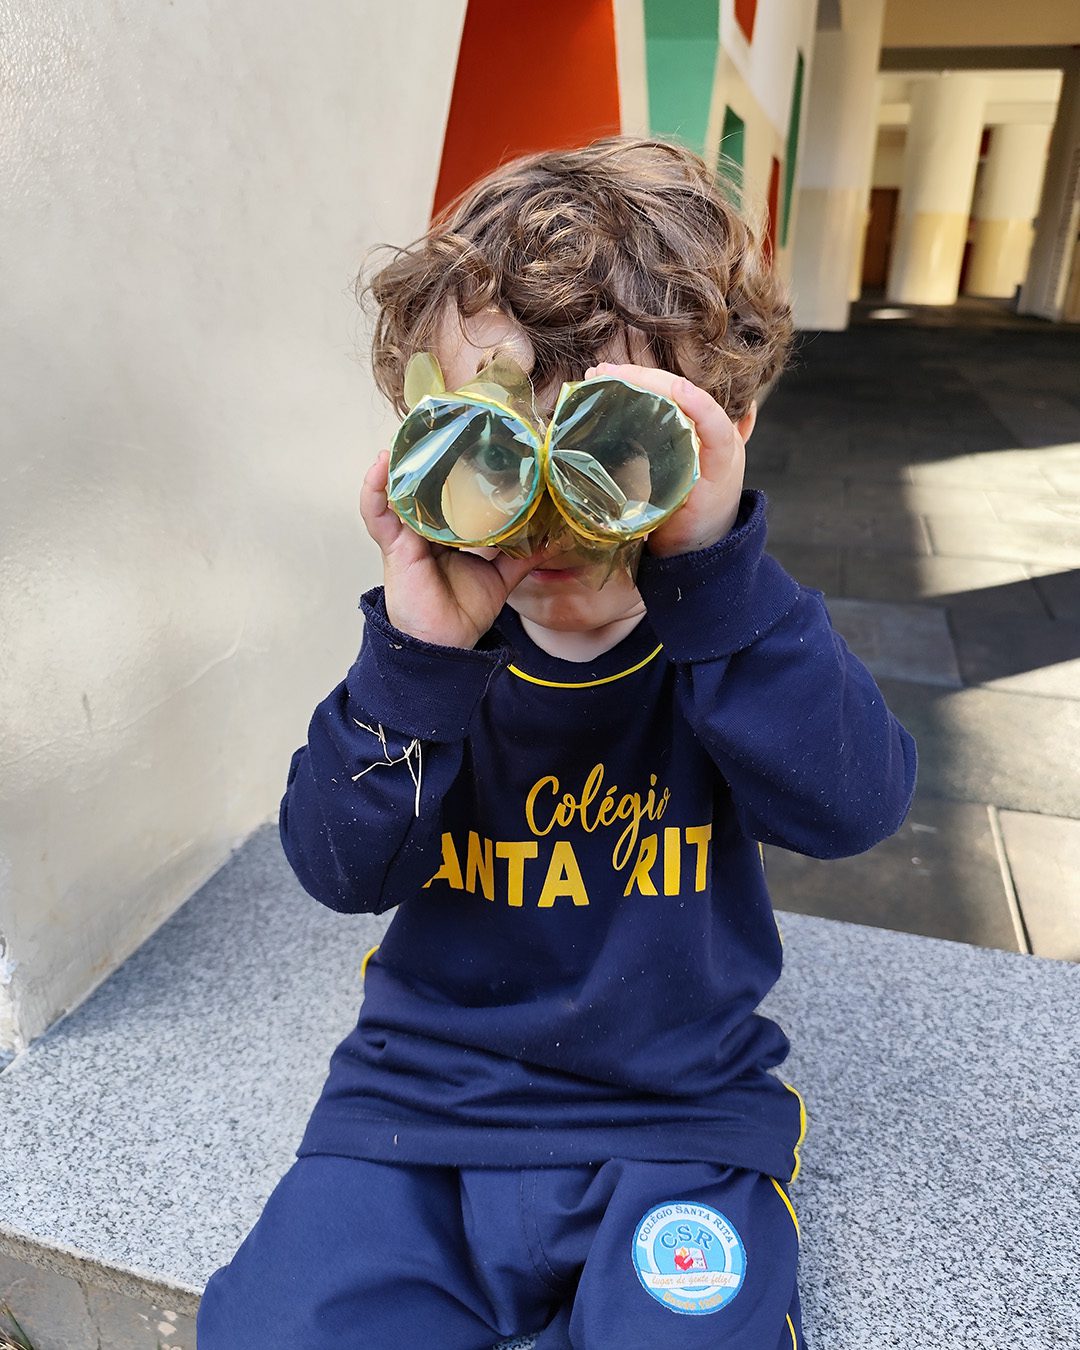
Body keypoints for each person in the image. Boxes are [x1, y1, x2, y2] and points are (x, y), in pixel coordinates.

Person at [197, 137, 917, 1350]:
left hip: (676, 1118)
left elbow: (855, 807)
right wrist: (414, 660)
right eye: (493, 444)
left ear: (726, 430)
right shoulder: (439, 654)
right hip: (421, 1112)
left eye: (616, 442)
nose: (545, 503)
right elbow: (338, 868)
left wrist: (716, 577)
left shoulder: (732, 639)